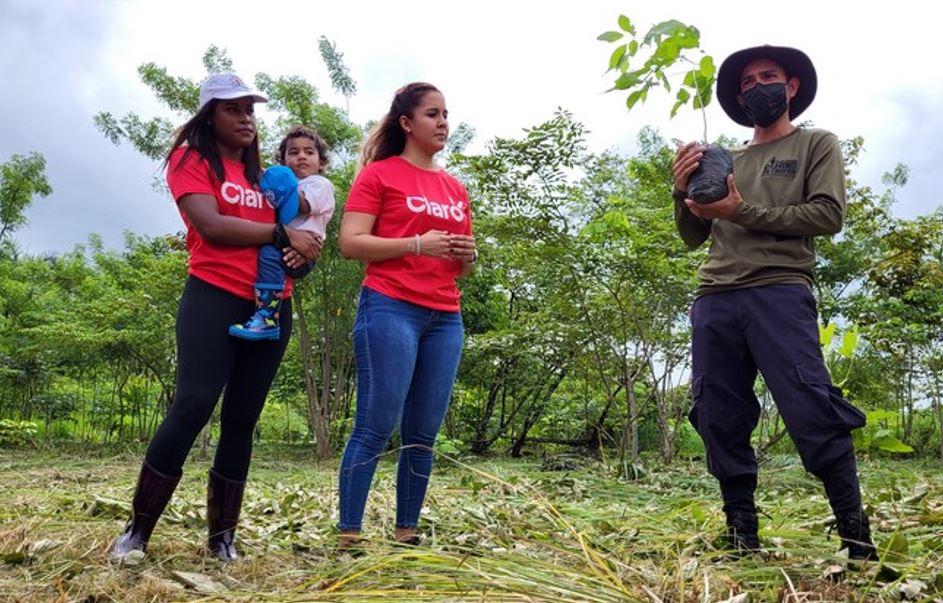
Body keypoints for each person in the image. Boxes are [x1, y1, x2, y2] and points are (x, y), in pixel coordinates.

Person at [672, 45, 878, 561]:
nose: (756, 86)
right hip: (715, 295)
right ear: (739, 98)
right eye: (747, 82)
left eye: (769, 77)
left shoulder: (815, 144)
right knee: (718, 413)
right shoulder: (727, 158)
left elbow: (827, 215)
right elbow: (693, 236)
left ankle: (857, 539)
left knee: (811, 404)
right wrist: (682, 193)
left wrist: (742, 210)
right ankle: (742, 536)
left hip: (780, 290)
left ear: (790, 88)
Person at [110, 73, 321, 562]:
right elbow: (210, 225)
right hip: (213, 295)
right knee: (192, 406)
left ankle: (222, 540)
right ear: (210, 115)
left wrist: (301, 256)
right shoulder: (192, 160)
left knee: (242, 419)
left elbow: (294, 235)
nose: (246, 117)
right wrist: (279, 236)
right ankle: (137, 531)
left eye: (250, 109)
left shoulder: (265, 176)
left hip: (270, 305)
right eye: (233, 109)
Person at [336, 82, 477, 547]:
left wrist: (467, 253)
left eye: (445, 114)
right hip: (390, 306)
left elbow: (463, 268)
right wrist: (416, 243)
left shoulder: (454, 187)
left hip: (445, 317)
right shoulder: (379, 175)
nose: (442, 123)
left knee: (423, 434)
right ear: (406, 123)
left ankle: (406, 534)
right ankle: (350, 536)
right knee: (375, 425)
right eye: (432, 114)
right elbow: (351, 242)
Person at [229, 126, 336, 340]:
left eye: (309, 152)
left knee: (269, 254)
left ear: (321, 162)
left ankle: (267, 317)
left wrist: (282, 185)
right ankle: (264, 315)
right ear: (284, 160)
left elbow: (304, 206)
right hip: (288, 246)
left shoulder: (319, 184)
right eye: (293, 153)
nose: (301, 157)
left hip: (301, 251)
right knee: (267, 253)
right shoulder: (295, 183)